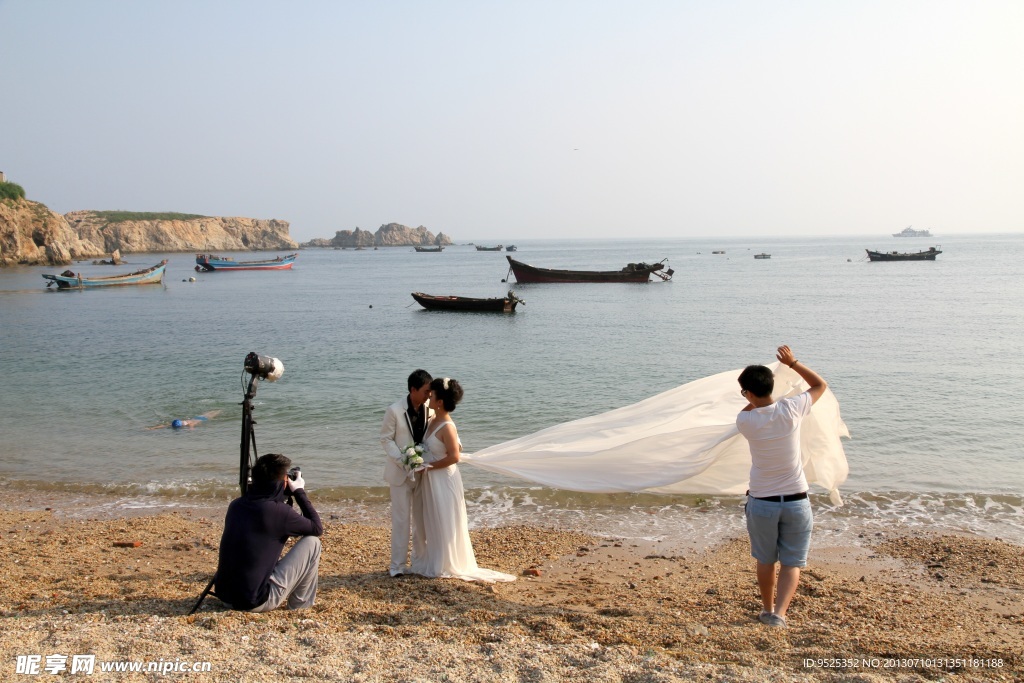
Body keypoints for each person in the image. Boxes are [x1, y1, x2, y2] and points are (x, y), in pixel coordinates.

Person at [735, 345, 828, 628]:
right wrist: (792, 362)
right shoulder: (792, 408)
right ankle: (779, 614)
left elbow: (751, 408)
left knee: (766, 560)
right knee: (791, 562)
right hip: (797, 501)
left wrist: (751, 398)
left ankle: (766, 609)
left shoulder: (745, 421)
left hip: (762, 503)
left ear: (748, 393)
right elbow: (819, 385)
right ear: (771, 387)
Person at [410, 377, 515, 583]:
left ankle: (447, 562)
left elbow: (454, 456)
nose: (429, 396)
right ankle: (434, 559)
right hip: (432, 480)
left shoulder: (447, 426)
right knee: (433, 519)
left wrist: (429, 466)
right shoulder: (432, 419)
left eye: (432, 394)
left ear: (440, 402)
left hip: (443, 480)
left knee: (445, 519)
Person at [214, 453, 323, 611]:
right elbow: (316, 528)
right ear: (280, 484)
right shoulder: (279, 512)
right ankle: (300, 608)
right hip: (254, 601)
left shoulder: (236, 505)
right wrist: (299, 491)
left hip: (225, 596)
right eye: (287, 479)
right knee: (313, 543)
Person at [380, 369, 433, 577]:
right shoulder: (394, 410)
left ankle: (419, 563)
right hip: (399, 474)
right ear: (413, 389)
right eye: (426, 391)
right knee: (401, 520)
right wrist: (404, 460)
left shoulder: (430, 409)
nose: (429, 395)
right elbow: (386, 439)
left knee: (421, 521)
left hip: (422, 474)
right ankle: (397, 567)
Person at [146, 409, 221, 430]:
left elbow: (191, 425)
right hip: (198, 417)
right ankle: (218, 410)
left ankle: (220, 410)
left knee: (213, 414)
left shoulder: (188, 424)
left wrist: (191, 429)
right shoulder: (181, 422)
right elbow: (163, 425)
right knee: (210, 412)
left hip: (203, 419)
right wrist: (153, 428)